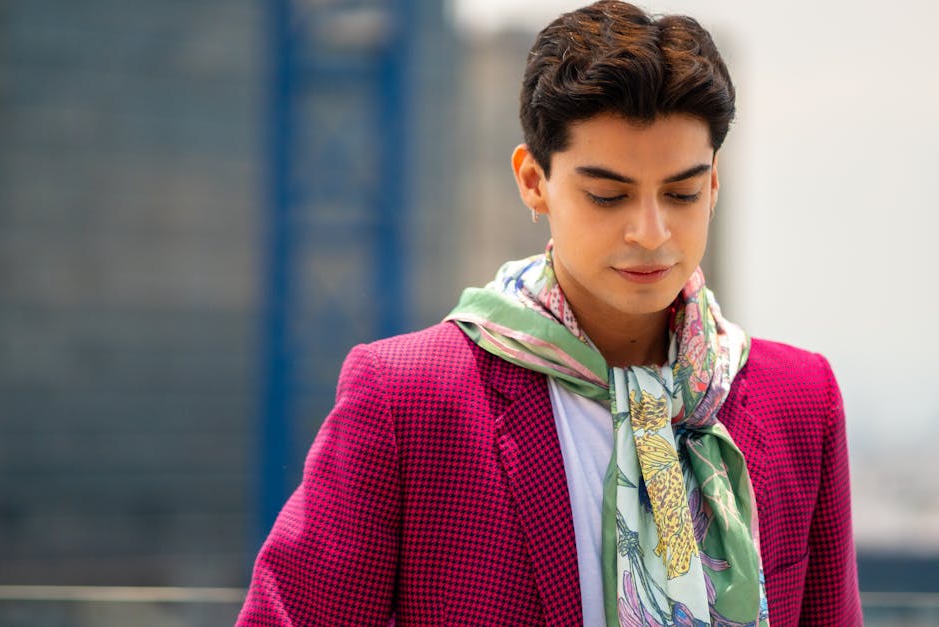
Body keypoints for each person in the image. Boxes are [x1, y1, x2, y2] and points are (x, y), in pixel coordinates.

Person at [236, 1, 861, 625]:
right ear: (534, 181)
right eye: (607, 195)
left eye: (682, 192)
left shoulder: (799, 401)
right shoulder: (409, 399)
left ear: (715, 185)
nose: (651, 231)